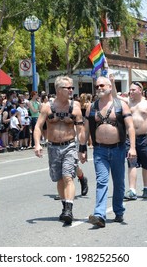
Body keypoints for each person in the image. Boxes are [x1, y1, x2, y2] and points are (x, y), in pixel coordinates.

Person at [83, 76, 136, 228]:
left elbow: (130, 127)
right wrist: (82, 148)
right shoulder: (91, 107)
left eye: (101, 85)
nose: (99, 88)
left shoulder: (121, 105)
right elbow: (86, 129)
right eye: (97, 86)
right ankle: (99, 214)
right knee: (102, 181)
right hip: (100, 150)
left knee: (119, 183)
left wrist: (132, 148)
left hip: (118, 149)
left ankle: (119, 210)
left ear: (109, 86)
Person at [34, 76, 85, 225]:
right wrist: (37, 144)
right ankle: (64, 206)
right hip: (53, 147)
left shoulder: (75, 107)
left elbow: (81, 130)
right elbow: (37, 127)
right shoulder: (47, 107)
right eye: (67, 88)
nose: (71, 90)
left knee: (68, 176)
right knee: (59, 179)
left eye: (72, 88)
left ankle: (69, 209)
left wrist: (82, 149)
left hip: (69, 145)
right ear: (58, 90)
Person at [124, 81, 147, 200]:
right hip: (130, 138)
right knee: (131, 162)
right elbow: (113, 96)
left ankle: (146, 188)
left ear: (140, 91)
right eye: (130, 90)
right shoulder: (127, 103)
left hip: (145, 137)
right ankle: (132, 190)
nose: (131, 92)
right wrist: (111, 82)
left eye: (133, 90)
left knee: (146, 165)